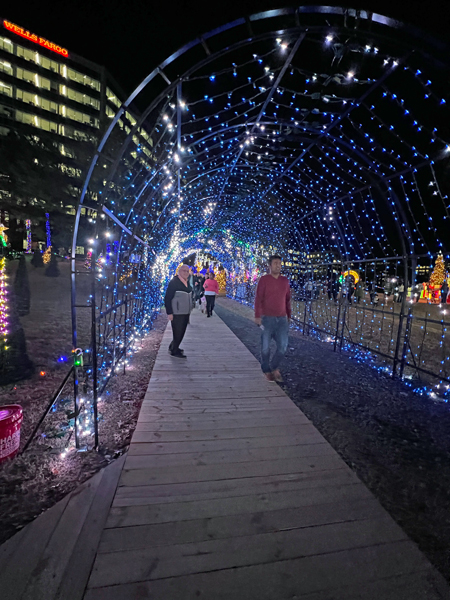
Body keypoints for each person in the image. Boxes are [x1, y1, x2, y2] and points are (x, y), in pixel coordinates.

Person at [254, 255, 291, 383]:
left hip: (281, 319)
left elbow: (287, 299)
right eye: (275, 263)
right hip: (267, 318)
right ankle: (266, 369)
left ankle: (274, 366)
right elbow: (258, 298)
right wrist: (257, 316)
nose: (278, 265)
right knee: (265, 347)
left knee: (283, 347)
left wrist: (289, 315)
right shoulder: (264, 280)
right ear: (269, 266)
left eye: (280, 263)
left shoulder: (285, 281)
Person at [164, 264, 192, 358]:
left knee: (181, 331)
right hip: (177, 312)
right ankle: (174, 351)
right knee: (178, 332)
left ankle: (174, 347)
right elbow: (168, 298)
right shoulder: (174, 282)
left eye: (187, 271)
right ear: (179, 271)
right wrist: (169, 312)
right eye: (184, 270)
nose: (186, 273)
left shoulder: (187, 282)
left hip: (185, 311)